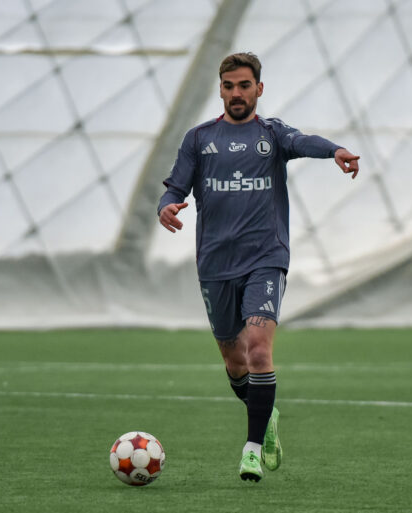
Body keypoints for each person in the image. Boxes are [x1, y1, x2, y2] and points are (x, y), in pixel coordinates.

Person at [158, 52, 359, 482]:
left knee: (259, 349)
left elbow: (305, 141)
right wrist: (166, 207)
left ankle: (251, 450)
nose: (236, 93)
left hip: (265, 259)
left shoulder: (272, 134)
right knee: (234, 364)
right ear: (221, 89)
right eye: (229, 86)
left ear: (259, 89)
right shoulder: (198, 139)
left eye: (244, 85)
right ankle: (266, 419)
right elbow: (175, 186)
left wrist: (336, 151)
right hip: (214, 264)